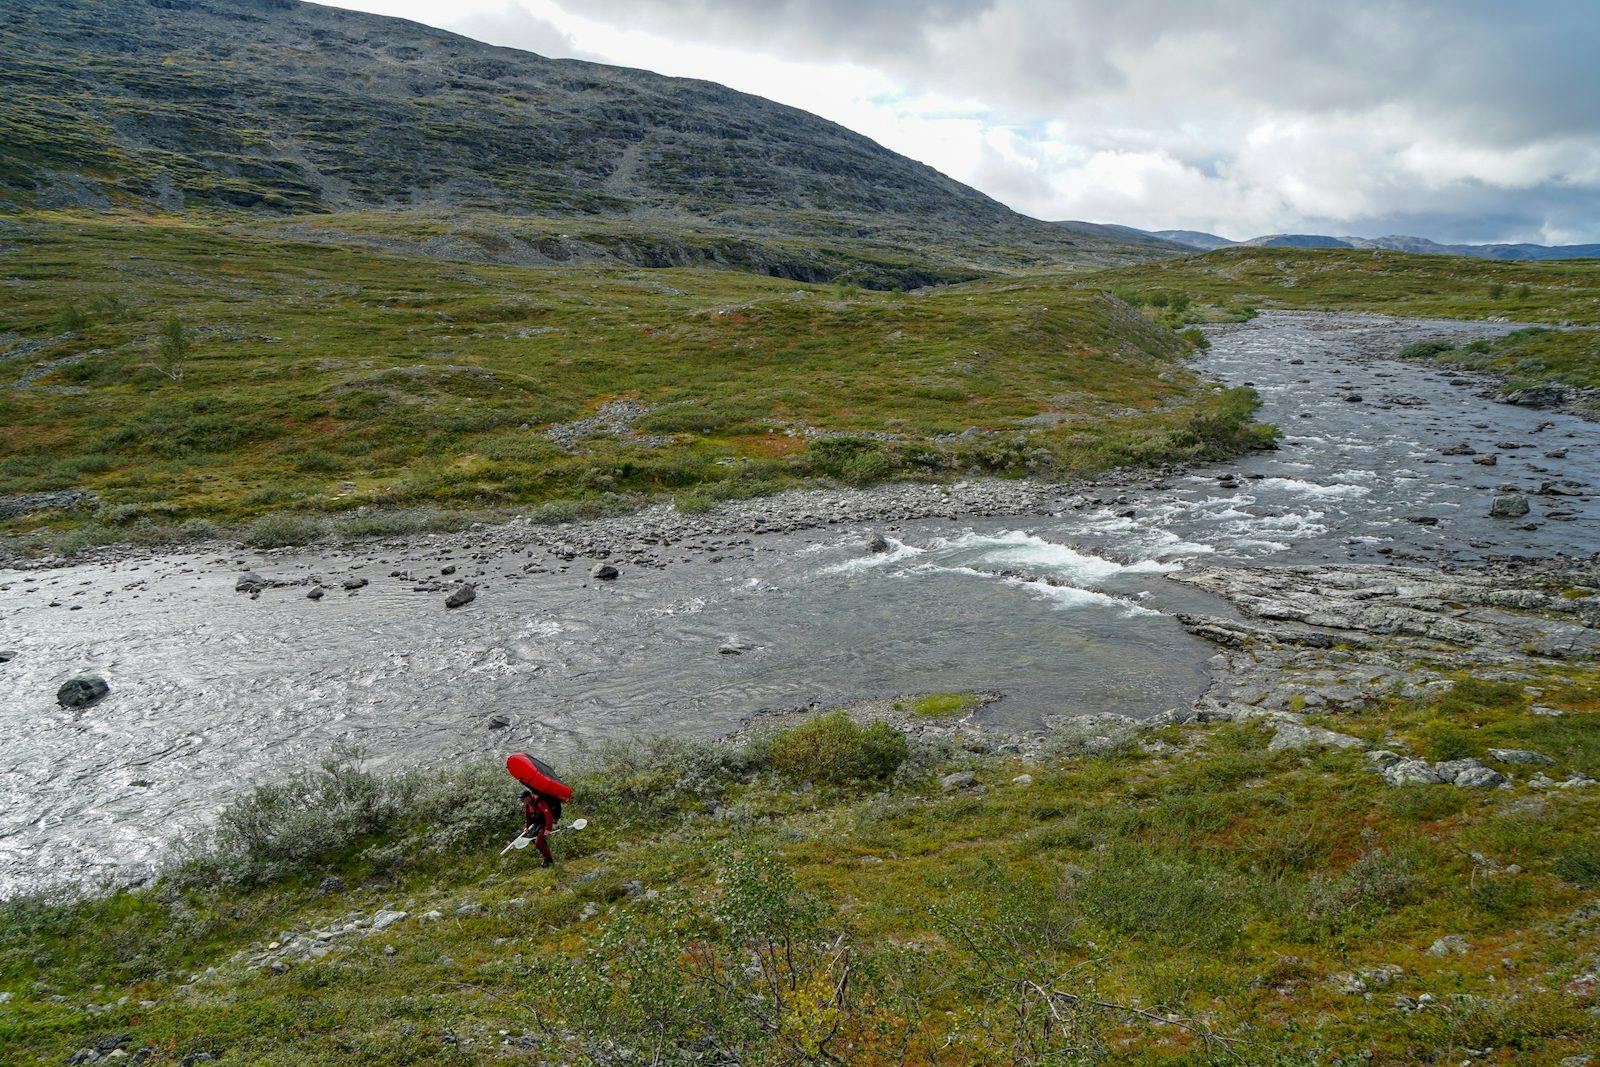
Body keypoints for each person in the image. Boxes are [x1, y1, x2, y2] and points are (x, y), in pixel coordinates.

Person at [520, 787, 558, 867]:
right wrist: (526, 827)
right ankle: (547, 857)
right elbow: (528, 817)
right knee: (534, 839)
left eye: (523, 798)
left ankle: (549, 860)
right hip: (538, 824)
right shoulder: (528, 805)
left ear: (528, 797)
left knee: (538, 842)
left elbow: (548, 816)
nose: (521, 801)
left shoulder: (540, 802)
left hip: (545, 823)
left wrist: (548, 829)